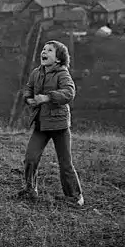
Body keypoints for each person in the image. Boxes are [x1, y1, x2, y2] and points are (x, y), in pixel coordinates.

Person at [16, 40, 83, 206]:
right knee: (30, 158)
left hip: (60, 125)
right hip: (41, 124)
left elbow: (69, 93)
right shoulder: (36, 72)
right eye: (44, 49)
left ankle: (75, 197)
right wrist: (28, 98)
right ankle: (30, 190)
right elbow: (28, 88)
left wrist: (47, 97)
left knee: (65, 163)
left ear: (58, 59)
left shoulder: (62, 73)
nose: (44, 52)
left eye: (49, 50)